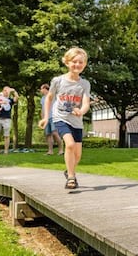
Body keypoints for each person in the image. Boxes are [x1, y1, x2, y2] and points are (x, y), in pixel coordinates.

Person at [39, 47, 91, 189]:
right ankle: (71, 178)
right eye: (74, 61)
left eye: (81, 62)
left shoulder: (85, 84)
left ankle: (69, 170)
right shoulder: (58, 81)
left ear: (84, 65)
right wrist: (45, 117)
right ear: (67, 62)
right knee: (70, 145)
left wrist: (81, 111)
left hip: (76, 121)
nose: (77, 65)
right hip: (60, 117)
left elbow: (86, 103)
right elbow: (49, 98)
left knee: (78, 155)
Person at [0, 86, 19, 154]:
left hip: (7, 119)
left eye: (7, 91)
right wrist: (0, 103)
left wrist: (14, 91)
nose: (6, 92)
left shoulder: (10, 100)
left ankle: (6, 150)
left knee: (6, 135)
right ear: (3, 91)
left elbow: (17, 98)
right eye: (5, 90)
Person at [40, 83, 64, 155]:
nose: (41, 90)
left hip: (54, 117)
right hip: (46, 118)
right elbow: (43, 109)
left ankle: (61, 150)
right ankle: (50, 151)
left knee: (55, 133)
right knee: (48, 135)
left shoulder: (52, 95)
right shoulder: (42, 98)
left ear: (45, 89)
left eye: (41, 89)